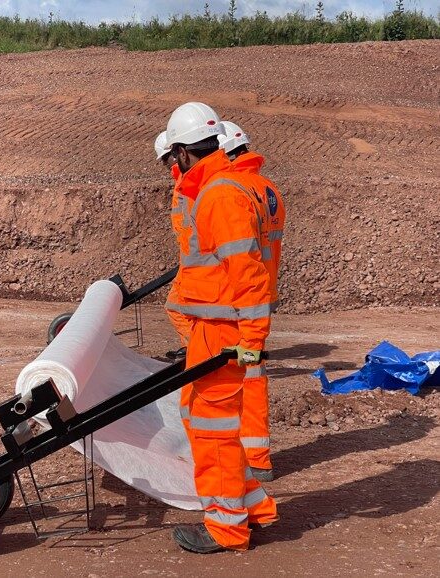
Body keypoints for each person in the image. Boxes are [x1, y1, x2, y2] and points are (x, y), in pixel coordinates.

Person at [163, 102, 278, 554]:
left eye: (174, 157)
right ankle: (253, 508)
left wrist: (250, 343)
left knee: (213, 430)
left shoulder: (221, 195)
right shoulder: (220, 188)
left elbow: (246, 274)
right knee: (202, 419)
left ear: (183, 153)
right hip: (215, 327)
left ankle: (226, 526)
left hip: (223, 330)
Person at [218, 121, 287, 482]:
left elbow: (238, 255)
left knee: (236, 377)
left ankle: (249, 459)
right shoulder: (267, 187)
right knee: (253, 372)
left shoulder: (234, 189)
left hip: (237, 300)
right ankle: (257, 456)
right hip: (261, 296)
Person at [154, 130, 191, 363]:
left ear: (175, 154)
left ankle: (197, 351)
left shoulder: (187, 181)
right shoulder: (182, 181)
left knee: (177, 306)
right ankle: (193, 348)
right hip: (190, 256)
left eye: (165, 160)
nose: (165, 166)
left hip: (196, 258)